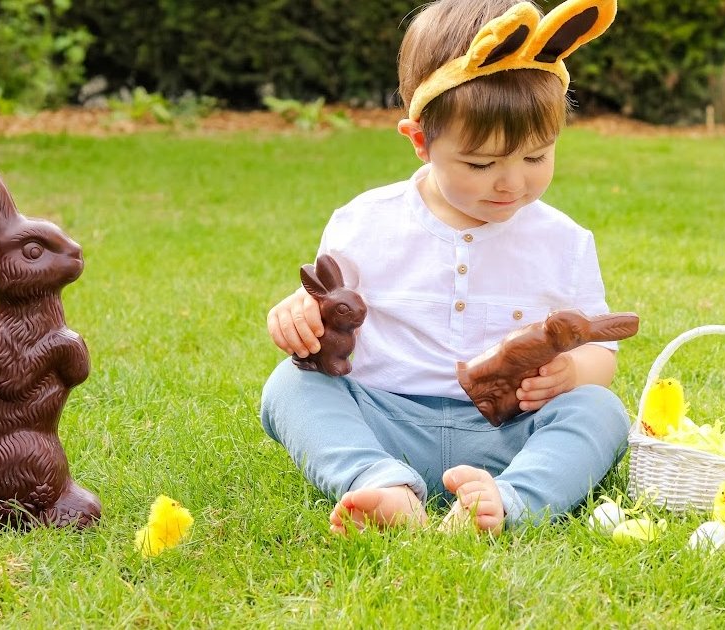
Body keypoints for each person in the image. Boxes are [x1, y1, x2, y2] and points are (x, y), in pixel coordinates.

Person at [261, 0, 627, 535]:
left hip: (508, 432)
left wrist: (574, 373)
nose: (511, 183)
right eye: (481, 164)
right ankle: (381, 482)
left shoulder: (563, 241)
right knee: (289, 388)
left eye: (536, 157)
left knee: (601, 410)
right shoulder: (365, 222)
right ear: (420, 141)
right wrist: (297, 316)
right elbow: (326, 309)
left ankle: (507, 501)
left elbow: (601, 347)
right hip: (384, 418)